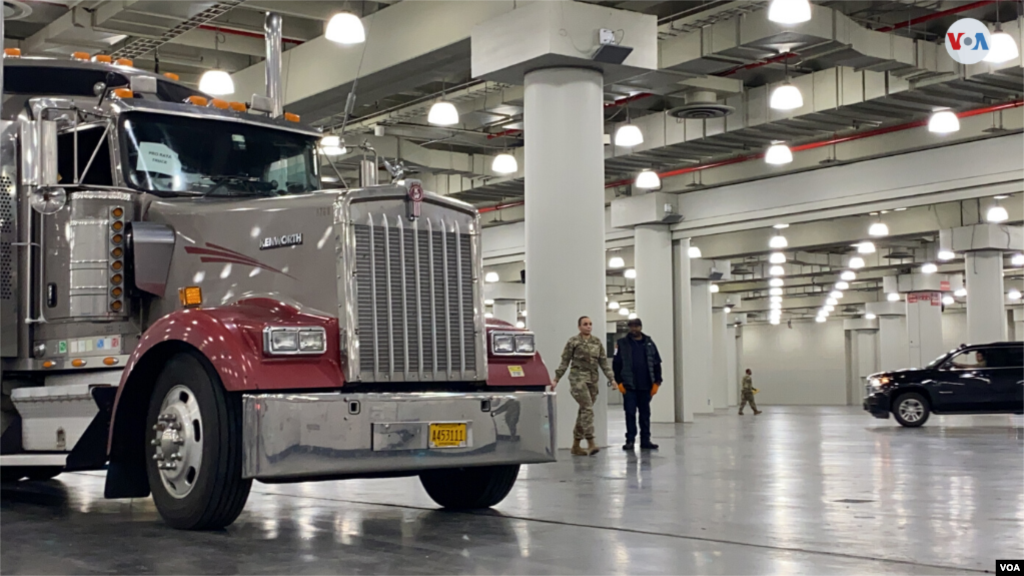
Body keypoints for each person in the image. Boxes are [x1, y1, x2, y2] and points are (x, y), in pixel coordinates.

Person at [552, 316, 615, 456]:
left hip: (592, 380)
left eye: (590, 324)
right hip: (577, 378)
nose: (588, 326)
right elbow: (565, 361)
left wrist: (612, 379)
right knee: (587, 409)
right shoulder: (573, 341)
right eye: (585, 324)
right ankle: (591, 442)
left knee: (583, 412)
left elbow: (603, 363)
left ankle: (575, 445)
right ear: (579, 327)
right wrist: (556, 379)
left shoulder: (596, 342)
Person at [612, 318, 662, 451]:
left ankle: (646, 440)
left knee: (645, 415)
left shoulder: (649, 343)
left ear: (641, 327)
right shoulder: (621, 344)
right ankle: (630, 440)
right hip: (629, 386)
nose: (634, 329)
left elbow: (656, 363)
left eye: (636, 326)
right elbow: (616, 365)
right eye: (631, 327)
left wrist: (657, 382)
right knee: (630, 413)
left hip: (646, 386)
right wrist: (619, 383)